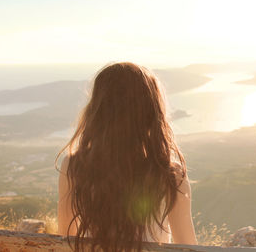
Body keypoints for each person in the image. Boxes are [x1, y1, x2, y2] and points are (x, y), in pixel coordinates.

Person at [56, 62, 197, 252]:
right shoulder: (170, 173)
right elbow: (187, 245)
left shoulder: (74, 166)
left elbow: (66, 239)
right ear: (151, 112)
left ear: (97, 110)